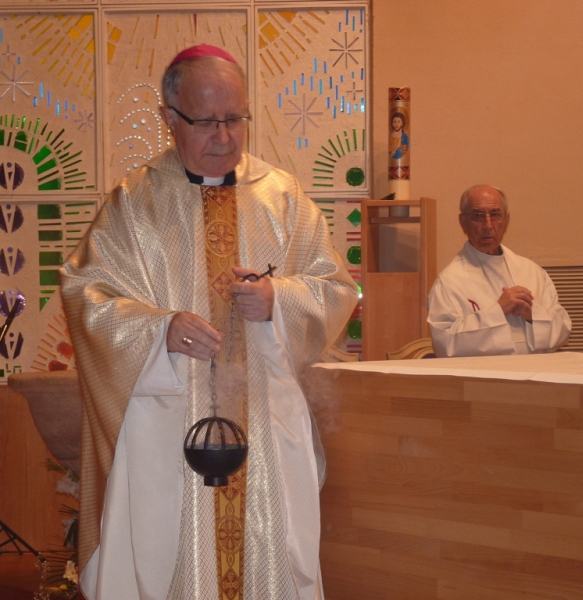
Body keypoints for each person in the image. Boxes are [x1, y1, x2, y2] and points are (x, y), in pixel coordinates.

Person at [60, 44, 358, 600]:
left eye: (236, 119)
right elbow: (87, 294)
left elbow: (337, 288)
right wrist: (159, 331)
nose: (225, 137)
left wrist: (279, 299)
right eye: (207, 122)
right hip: (170, 426)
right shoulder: (133, 205)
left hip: (264, 433)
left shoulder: (284, 198)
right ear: (170, 119)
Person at [427, 184, 571, 358]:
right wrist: (498, 311)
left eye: (495, 215)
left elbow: (563, 329)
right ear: (463, 222)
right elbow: (445, 345)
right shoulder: (449, 282)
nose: (488, 225)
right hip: (481, 381)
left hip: (536, 376)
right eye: (478, 216)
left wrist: (532, 314)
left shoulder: (532, 272)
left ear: (506, 220)